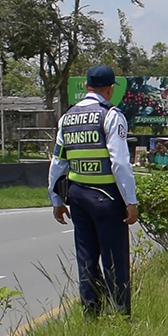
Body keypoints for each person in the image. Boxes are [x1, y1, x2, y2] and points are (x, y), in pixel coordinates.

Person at [48, 65, 138, 317]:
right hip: (107, 197)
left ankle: (91, 314)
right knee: (114, 260)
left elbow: (57, 163)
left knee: (86, 259)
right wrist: (131, 201)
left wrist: (56, 199)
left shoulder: (67, 118)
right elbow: (119, 162)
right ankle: (120, 315)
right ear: (109, 89)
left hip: (77, 196)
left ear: (87, 86)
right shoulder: (111, 116)